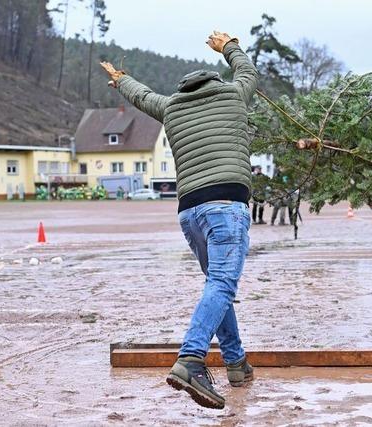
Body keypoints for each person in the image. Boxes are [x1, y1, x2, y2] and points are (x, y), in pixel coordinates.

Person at [101, 31, 258, 409]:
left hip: (189, 211)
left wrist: (121, 80)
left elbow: (142, 96)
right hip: (226, 206)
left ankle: (236, 363)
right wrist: (228, 47)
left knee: (217, 286)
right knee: (221, 284)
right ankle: (191, 360)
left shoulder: (172, 106)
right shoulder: (234, 94)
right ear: (216, 83)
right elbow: (248, 71)